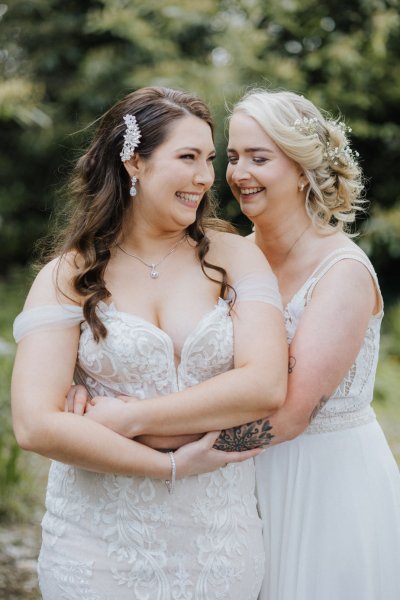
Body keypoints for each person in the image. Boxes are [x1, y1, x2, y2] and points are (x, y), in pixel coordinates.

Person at [11, 86, 288, 599]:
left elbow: (266, 384)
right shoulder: (67, 274)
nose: (205, 177)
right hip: (97, 545)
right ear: (134, 161)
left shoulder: (235, 256)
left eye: (209, 158)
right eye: (187, 157)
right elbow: (34, 424)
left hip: (218, 543)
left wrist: (127, 421)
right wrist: (170, 464)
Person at [226, 89, 400, 600]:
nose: (238, 173)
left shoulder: (341, 272)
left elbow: (290, 413)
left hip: (324, 487)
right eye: (233, 157)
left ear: (302, 169)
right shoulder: (229, 256)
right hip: (236, 487)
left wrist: (161, 446)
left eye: (259, 158)